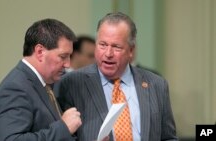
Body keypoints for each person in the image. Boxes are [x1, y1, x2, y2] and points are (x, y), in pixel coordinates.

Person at [57, 12, 178, 141]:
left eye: (116, 47)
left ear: (131, 50)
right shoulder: (71, 83)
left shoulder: (156, 85)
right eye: (102, 45)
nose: (108, 54)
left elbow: (168, 138)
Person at [0, 18, 82, 141]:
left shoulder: (45, 83)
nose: (67, 64)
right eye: (63, 56)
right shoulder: (15, 88)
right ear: (40, 52)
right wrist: (63, 128)